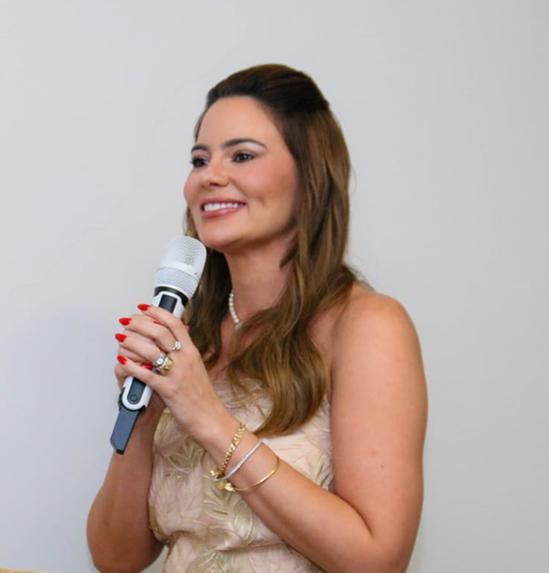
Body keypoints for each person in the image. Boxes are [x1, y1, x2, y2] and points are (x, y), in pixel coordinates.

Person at [87, 63, 427, 572]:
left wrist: (207, 417)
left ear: (310, 173)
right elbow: (116, 559)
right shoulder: (191, 338)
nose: (210, 176)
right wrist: (144, 422)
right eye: (200, 160)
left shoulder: (367, 326)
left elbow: (377, 560)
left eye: (242, 155)